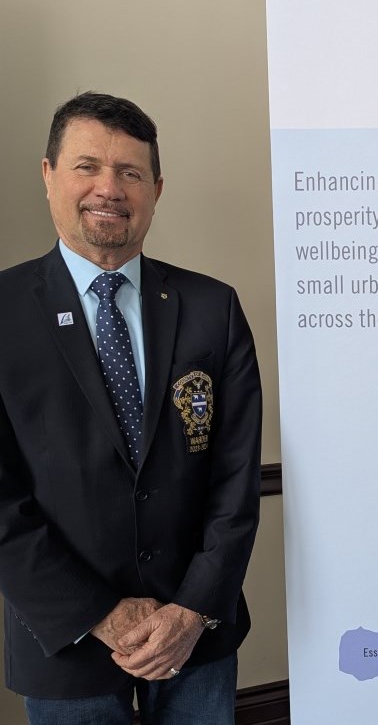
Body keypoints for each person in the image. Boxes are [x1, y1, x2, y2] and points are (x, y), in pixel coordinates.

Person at [0, 92, 262, 724]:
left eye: (130, 172)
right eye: (87, 166)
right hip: (65, 640)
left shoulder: (213, 308)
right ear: (48, 175)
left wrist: (191, 610)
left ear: (156, 188)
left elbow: (235, 479)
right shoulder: (4, 312)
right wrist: (101, 614)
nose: (108, 189)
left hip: (196, 635)